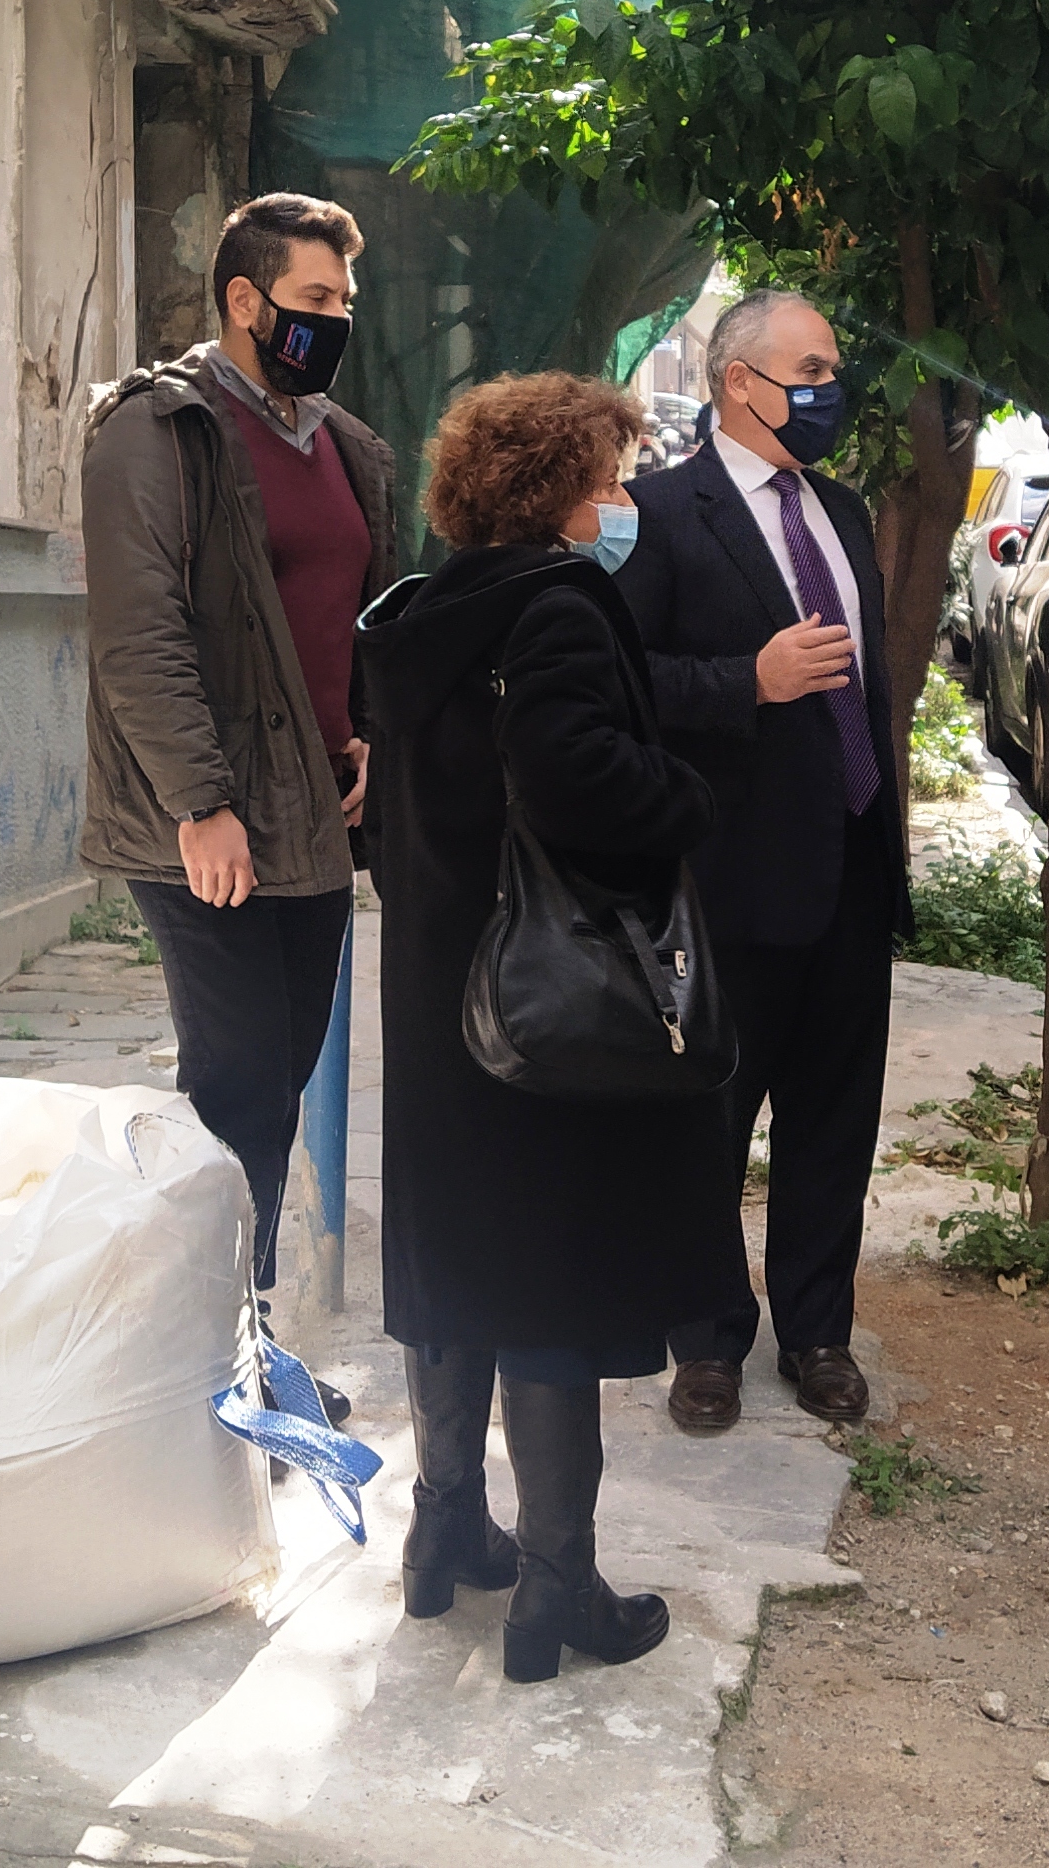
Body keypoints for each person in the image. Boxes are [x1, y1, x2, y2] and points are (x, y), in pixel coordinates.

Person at [356, 372, 738, 1682]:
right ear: (560, 490)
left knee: (459, 1268)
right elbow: (578, 779)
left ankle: (443, 1534)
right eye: (608, 478)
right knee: (546, 1287)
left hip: (440, 990)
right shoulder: (559, 605)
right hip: (540, 1006)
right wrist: (685, 797)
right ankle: (556, 1591)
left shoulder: (424, 612)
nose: (621, 501)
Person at [80, 193, 395, 1390]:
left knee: (276, 1078)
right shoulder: (158, 430)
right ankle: (202, 1355)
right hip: (203, 817)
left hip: (313, 811)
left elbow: (359, 616)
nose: (334, 322)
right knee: (237, 1079)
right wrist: (198, 806)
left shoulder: (342, 443)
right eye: (314, 300)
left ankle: (233, 1337)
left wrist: (365, 737)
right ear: (244, 300)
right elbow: (139, 634)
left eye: (343, 302)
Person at [615, 289, 904, 1434]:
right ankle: (705, 1340)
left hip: (851, 865)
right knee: (709, 1121)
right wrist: (749, 679)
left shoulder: (842, 511)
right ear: (739, 381)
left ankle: (817, 1332)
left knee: (834, 1118)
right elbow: (620, 684)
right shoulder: (657, 513)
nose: (832, 389)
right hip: (728, 881)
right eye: (812, 369)